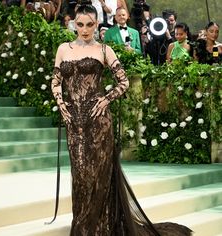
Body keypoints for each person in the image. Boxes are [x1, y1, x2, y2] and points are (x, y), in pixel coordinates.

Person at [51, 4, 193, 235]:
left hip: (98, 123)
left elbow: (124, 82)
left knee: (98, 178)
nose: (84, 30)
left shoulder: (104, 50)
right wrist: (60, 102)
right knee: (80, 177)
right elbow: (56, 81)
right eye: (80, 25)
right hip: (74, 123)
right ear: (73, 24)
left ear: (96, 24)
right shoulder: (63, 49)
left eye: (89, 24)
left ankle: (98, 228)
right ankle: (83, 225)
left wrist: (105, 100)